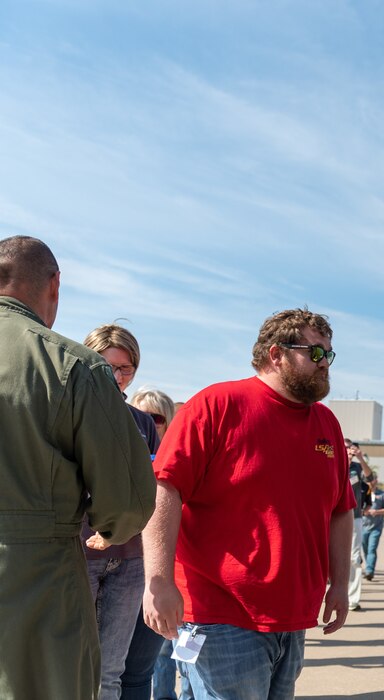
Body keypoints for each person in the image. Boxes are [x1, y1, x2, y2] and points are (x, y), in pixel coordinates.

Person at [142, 308, 354, 700]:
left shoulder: (327, 423)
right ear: (277, 354)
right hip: (220, 613)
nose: (326, 364)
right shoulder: (217, 405)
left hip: (293, 617)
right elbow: (165, 489)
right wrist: (158, 581)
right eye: (316, 353)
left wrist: (340, 584)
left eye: (330, 354)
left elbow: (341, 510)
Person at [0, 235, 156, 699]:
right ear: (55, 285)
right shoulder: (72, 366)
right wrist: (108, 528)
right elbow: (127, 502)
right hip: (39, 581)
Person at [81, 324, 162, 700]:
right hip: (79, 552)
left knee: (111, 671)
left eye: (125, 369)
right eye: (106, 366)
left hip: (129, 560)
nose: (116, 377)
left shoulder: (143, 421)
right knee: (74, 664)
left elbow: (152, 488)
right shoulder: (68, 411)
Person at [128, 388, 188, 700]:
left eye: (156, 417)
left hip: (176, 572)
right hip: (131, 570)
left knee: (181, 651)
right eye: (140, 415)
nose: (147, 424)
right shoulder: (121, 459)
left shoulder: (182, 463)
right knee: (150, 656)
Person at [345, 439, 373, 611]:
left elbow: (370, 478)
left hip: (354, 516)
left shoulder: (357, 468)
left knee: (354, 558)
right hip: (331, 517)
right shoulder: (332, 463)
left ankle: (353, 599)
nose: (349, 450)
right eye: (346, 448)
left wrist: (361, 459)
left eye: (352, 448)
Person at [360, 476, 384, 580]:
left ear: (376, 481)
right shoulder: (363, 493)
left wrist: (376, 512)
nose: (370, 482)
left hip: (376, 527)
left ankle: (370, 571)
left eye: (371, 480)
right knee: (365, 549)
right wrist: (363, 512)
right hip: (363, 526)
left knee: (371, 549)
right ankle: (368, 567)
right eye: (368, 481)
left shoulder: (382, 494)